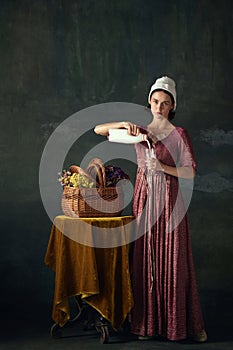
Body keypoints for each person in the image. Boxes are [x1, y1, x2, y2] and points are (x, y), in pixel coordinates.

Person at [94, 76, 207, 343]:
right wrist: (123, 124)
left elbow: (190, 172)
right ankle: (148, 325)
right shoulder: (139, 132)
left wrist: (164, 168)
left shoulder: (179, 135)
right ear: (150, 102)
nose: (159, 107)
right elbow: (99, 129)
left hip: (170, 200)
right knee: (145, 259)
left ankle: (177, 326)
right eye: (156, 101)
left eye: (165, 103)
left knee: (173, 259)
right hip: (145, 200)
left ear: (172, 107)